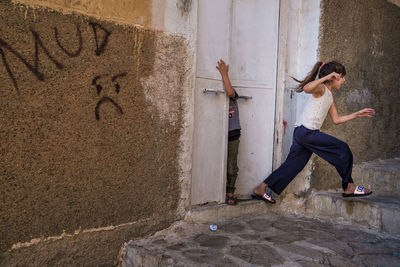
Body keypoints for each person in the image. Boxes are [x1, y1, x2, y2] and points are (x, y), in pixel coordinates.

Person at [252, 61, 375, 204]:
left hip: (302, 134)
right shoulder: (321, 88)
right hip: (307, 132)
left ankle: (261, 188)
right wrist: (326, 77)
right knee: (342, 149)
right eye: (342, 77)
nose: (344, 80)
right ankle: (349, 186)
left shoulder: (329, 95)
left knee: (293, 166)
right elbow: (307, 88)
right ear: (333, 77)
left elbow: (336, 119)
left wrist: (357, 114)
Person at [216, 59, 241, 205]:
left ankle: (230, 192)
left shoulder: (233, 95)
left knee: (232, 165)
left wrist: (224, 74)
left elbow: (230, 91)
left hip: (232, 132)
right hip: (217, 133)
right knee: (217, 162)